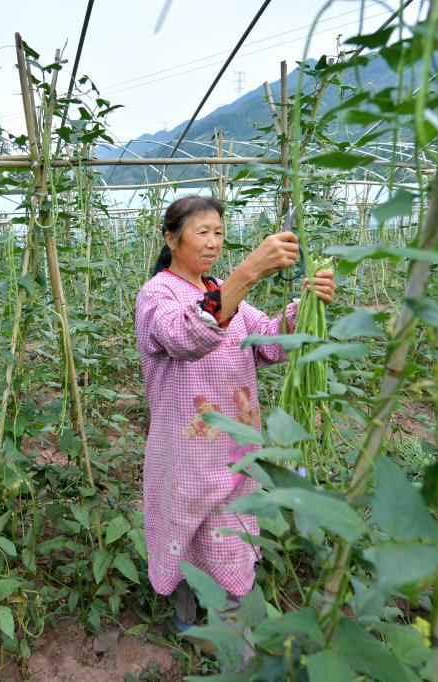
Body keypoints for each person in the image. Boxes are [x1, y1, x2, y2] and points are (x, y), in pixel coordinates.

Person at [135, 195, 335, 640]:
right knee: (185, 528)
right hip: (187, 449)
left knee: (232, 536)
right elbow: (187, 334)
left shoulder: (227, 293)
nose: (212, 243)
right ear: (171, 239)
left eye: (219, 234)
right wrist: (249, 272)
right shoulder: (157, 294)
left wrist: (307, 306)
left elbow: (268, 342)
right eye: (202, 232)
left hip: (235, 448)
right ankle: (185, 621)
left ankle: (231, 631)